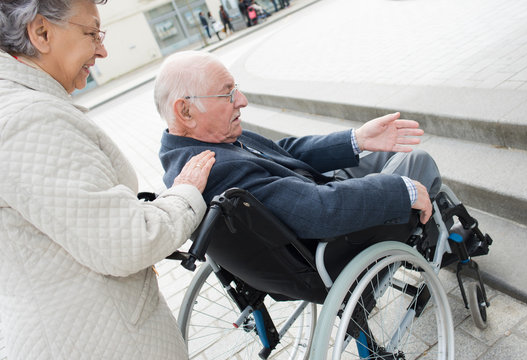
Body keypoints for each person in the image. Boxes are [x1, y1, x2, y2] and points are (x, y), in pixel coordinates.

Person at [0, 2, 215, 359]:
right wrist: (185, 193)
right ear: (41, 33)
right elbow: (127, 242)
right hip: (98, 340)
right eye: (91, 33)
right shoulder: (30, 120)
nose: (102, 49)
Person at [155, 51, 441, 241]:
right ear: (186, 112)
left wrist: (357, 139)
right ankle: (443, 242)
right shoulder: (219, 169)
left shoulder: (190, 149)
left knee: (388, 153)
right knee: (416, 162)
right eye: (228, 94)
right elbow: (320, 211)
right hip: (330, 236)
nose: (242, 100)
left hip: (309, 193)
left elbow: (282, 153)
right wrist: (404, 189)